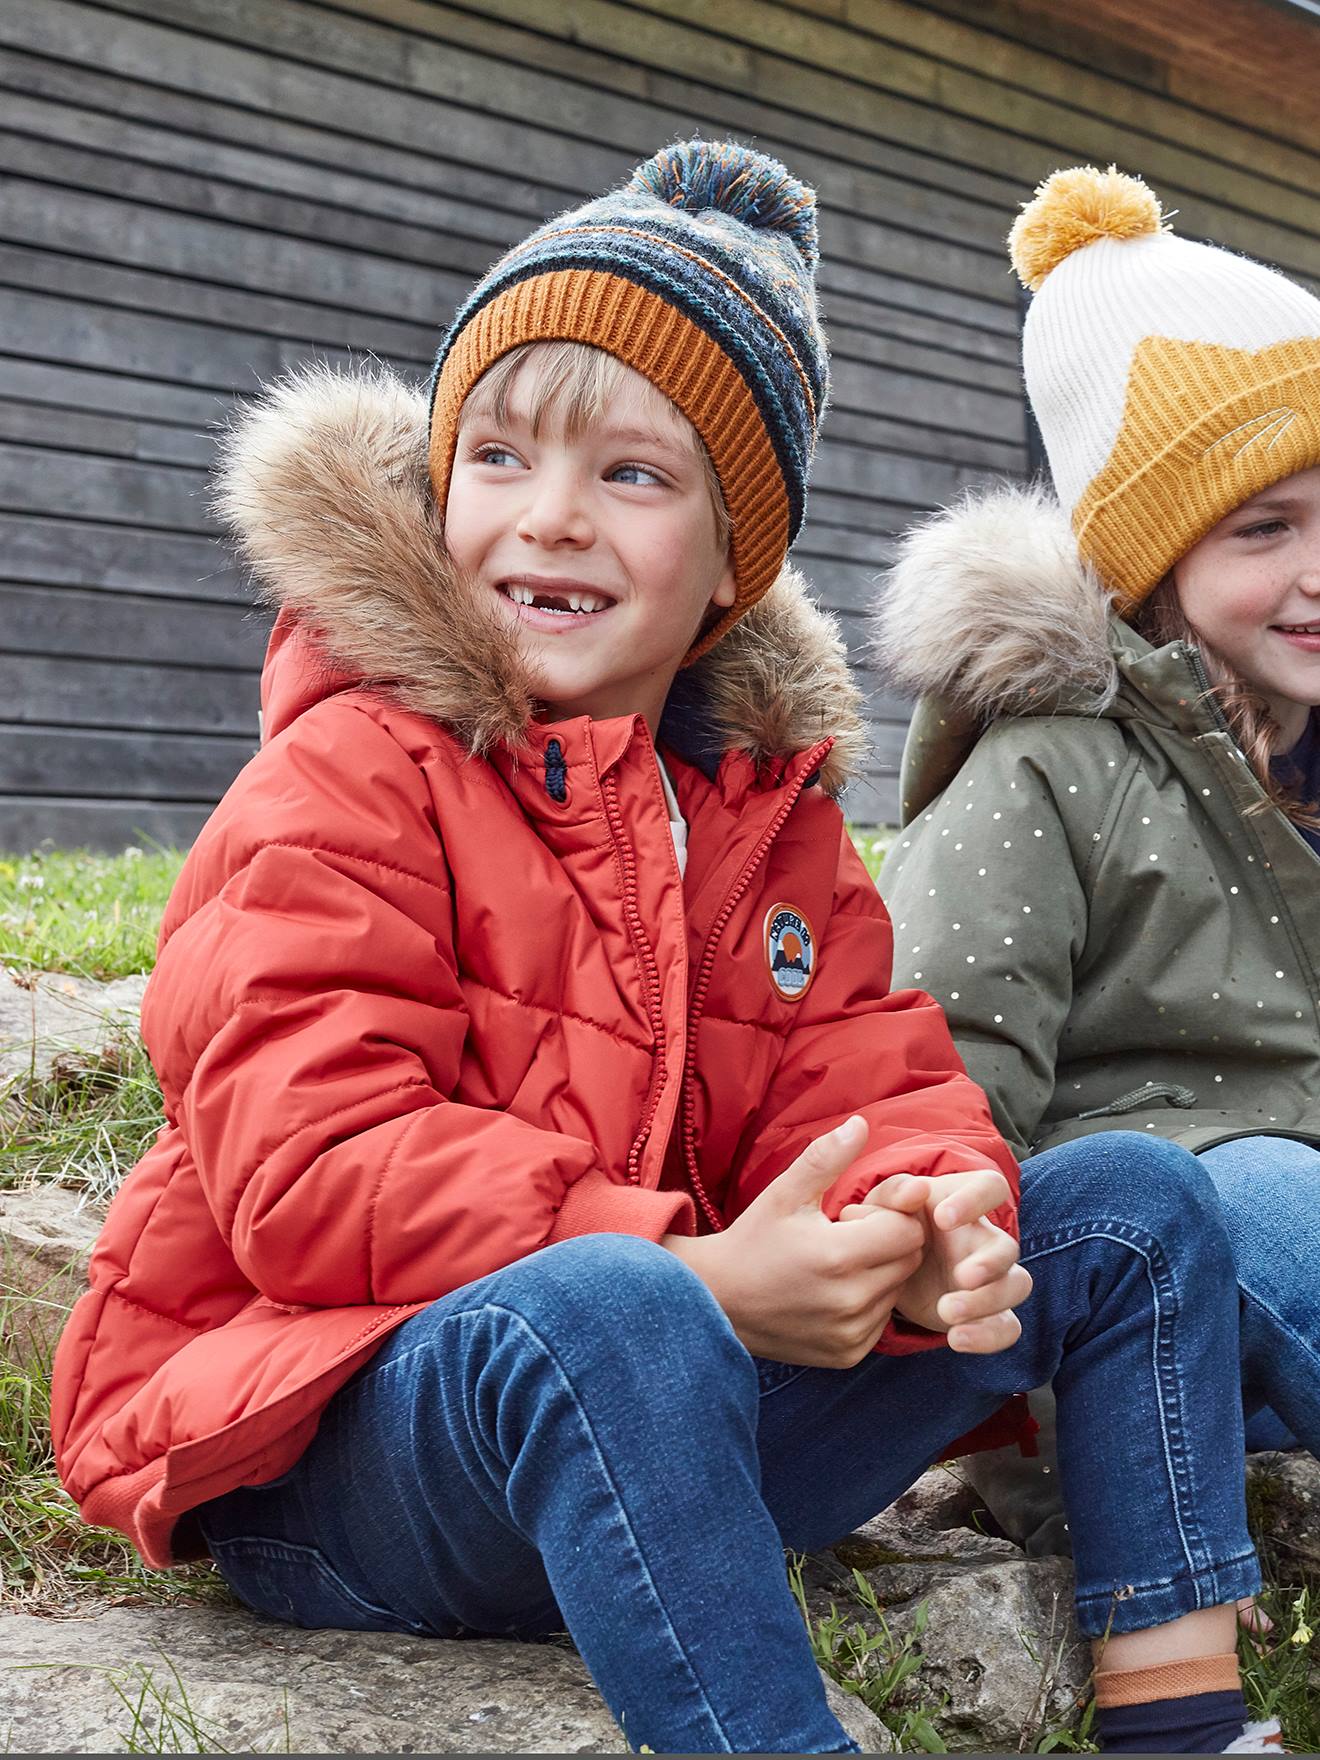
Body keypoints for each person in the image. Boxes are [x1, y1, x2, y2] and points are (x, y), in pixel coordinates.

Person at [52, 145, 1276, 1754]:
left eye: (633, 476)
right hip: (355, 1447)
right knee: (615, 1306)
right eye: (496, 456)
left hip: (685, 1415)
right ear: (441, 487)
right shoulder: (346, 776)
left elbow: (873, 1072)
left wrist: (922, 1216)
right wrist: (700, 1274)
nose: (549, 518)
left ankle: (1185, 1725)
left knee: (1129, 1205)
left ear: (731, 562)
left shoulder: (767, 815)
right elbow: (311, 1168)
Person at [878, 157, 1320, 1718]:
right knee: (1272, 1198)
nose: (1317, 571)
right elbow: (945, 1052)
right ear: (1151, 562)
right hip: (1165, 1235)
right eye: (1265, 526)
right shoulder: (1051, 768)